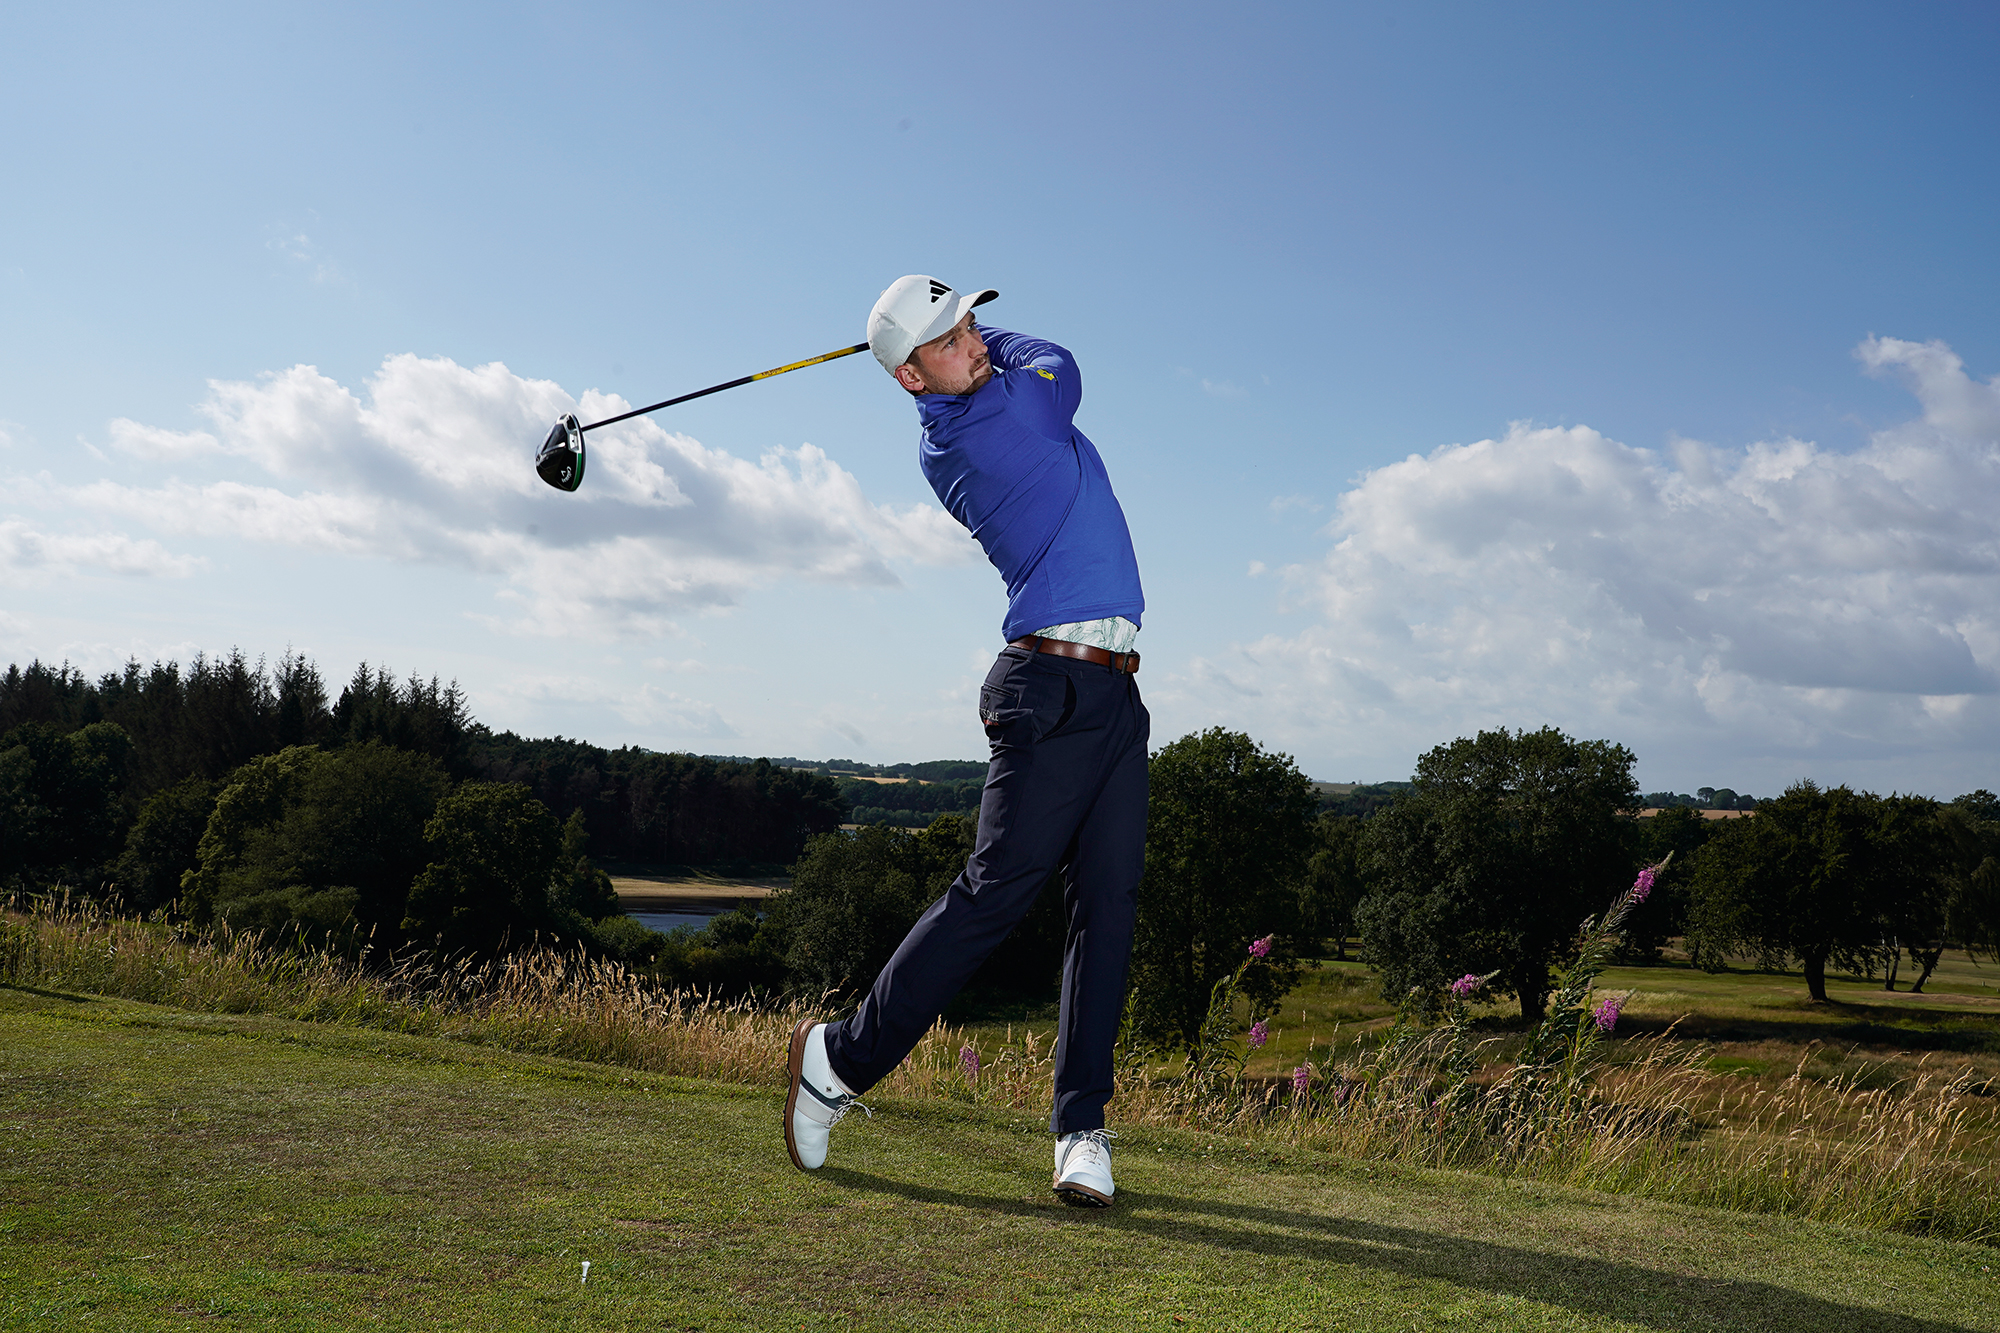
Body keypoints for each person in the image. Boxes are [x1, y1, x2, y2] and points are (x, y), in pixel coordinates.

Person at [784, 276, 1150, 1207]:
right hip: (1051, 686)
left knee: (1106, 905)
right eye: (949, 340)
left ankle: (1081, 1129)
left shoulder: (974, 396)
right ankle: (839, 1060)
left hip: (1112, 691)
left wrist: (948, 332)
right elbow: (1062, 360)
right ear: (911, 378)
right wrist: (983, 345)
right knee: (993, 897)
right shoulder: (997, 419)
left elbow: (1009, 356)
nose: (976, 342)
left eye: (973, 322)